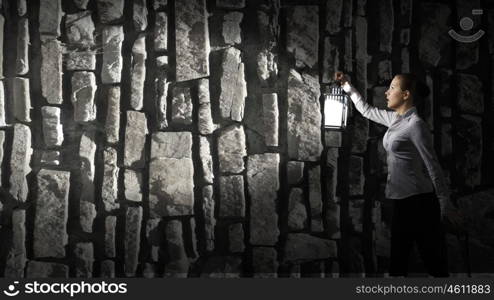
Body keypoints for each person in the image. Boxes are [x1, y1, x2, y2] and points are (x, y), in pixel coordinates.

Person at [334, 71, 463, 277]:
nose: (387, 92)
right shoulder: (395, 119)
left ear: (406, 94)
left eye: (393, 88)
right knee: (397, 265)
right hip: (403, 203)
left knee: (435, 266)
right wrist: (348, 87)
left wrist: (445, 203)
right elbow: (366, 110)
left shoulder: (415, 125)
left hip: (421, 203)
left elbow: (433, 165)